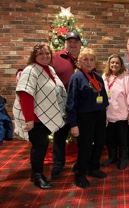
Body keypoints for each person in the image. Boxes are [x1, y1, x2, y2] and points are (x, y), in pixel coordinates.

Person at [13, 43, 67, 189]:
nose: (45, 56)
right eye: (41, 54)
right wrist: (29, 119)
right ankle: (37, 177)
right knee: (39, 147)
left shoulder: (49, 69)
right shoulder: (31, 71)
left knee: (42, 147)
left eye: (47, 53)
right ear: (34, 56)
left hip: (43, 117)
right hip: (35, 118)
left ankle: (36, 174)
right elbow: (25, 94)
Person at [66, 48, 109, 189]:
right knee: (84, 147)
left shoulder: (97, 77)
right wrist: (73, 124)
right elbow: (71, 103)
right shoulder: (76, 78)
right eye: (85, 59)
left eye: (91, 59)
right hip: (84, 118)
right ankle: (80, 174)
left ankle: (93, 167)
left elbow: (103, 98)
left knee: (99, 143)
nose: (89, 62)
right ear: (79, 62)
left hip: (100, 115)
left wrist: (105, 115)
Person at [51, 30, 82, 179]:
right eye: (70, 41)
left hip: (80, 108)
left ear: (80, 44)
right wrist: (20, 72)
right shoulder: (55, 57)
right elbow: (37, 65)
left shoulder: (85, 59)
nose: (73, 44)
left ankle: (82, 164)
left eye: (76, 41)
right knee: (59, 137)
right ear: (65, 43)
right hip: (61, 105)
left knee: (82, 137)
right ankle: (58, 165)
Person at [101, 54, 129, 170]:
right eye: (112, 62)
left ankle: (123, 159)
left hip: (122, 115)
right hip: (108, 115)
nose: (114, 65)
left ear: (121, 64)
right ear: (109, 64)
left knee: (122, 140)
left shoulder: (127, 78)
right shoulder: (105, 76)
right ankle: (112, 157)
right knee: (110, 140)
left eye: (117, 63)